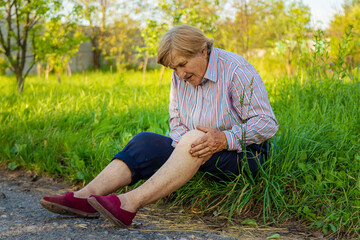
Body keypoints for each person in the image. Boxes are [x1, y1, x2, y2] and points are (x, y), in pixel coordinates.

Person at [40, 25, 278, 227]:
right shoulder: (180, 75)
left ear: (203, 51)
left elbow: (267, 123)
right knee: (145, 141)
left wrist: (224, 139)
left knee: (192, 138)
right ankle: (84, 198)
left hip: (245, 154)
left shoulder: (236, 69)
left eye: (183, 65)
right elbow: (175, 120)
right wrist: (183, 149)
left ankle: (127, 204)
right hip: (197, 147)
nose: (179, 74)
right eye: (174, 68)